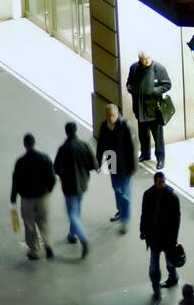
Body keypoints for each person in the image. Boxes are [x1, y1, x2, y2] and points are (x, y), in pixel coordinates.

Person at [11, 133, 56, 260]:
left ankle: (34, 251)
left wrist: (13, 198)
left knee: (29, 224)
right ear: (34, 143)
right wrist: (48, 191)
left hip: (27, 198)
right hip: (43, 196)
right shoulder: (44, 158)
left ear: (25, 145)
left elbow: (16, 182)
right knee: (43, 221)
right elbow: (52, 178)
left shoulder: (20, 162)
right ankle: (48, 245)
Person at [53, 121, 95, 257]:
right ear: (76, 131)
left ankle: (83, 238)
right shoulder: (84, 145)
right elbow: (93, 164)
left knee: (72, 213)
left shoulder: (63, 149)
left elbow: (56, 168)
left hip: (69, 186)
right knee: (76, 209)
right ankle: (72, 234)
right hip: (82, 184)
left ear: (66, 132)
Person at [139, 171, 180, 304]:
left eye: (163, 181)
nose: (162, 184)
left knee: (169, 262)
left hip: (167, 238)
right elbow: (144, 213)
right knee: (154, 266)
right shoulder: (148, 195)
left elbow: (176, 219)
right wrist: (143, 230)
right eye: (159, 182)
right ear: (155, 182)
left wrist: (174, 238)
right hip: (154, 237)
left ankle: (173, 277)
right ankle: (156, 286)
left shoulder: (173, 197)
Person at [126, 51, 171, 168]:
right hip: (140, 109)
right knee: (143, 135)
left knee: (158, 137)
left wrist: (155, 91)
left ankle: (160, 159)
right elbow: (129, 83)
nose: (147, 61)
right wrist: (132, 90)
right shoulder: (134, 68)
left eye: (148, 58)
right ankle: (145, 154)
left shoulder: (158, 69)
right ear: (139, 59)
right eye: (144, 59)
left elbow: (167, 84)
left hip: (154, 110)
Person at [95, 102, 136, 234]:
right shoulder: (104, 126)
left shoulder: (125, 126)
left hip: (125, 164)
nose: (110, 119)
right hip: (112, 162)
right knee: (116, 189)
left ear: (117, 114)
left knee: (124, 192)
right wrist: (98, 162)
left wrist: (133, 166)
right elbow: (100, 145)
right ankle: (120, 211)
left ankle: (125, 219)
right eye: (107, 116)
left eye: (112, 116)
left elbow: (133, 147)